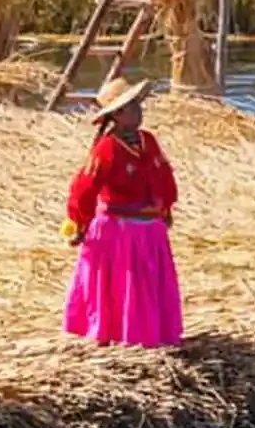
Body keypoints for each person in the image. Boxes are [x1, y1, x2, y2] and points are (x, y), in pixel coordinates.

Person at [63, 77, 182, 347]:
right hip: (119, 231)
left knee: (147, 285)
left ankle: (151, 335)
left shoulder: (148, 141)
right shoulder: (106, 148)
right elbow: (84, 188)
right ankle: (117, 334)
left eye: (138, 104)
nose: (140, 110)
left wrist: (165, 208)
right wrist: (79, 224)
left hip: (150, 229)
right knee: (123, 286)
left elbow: (164, 176)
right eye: (132, 106)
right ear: (117, 114)